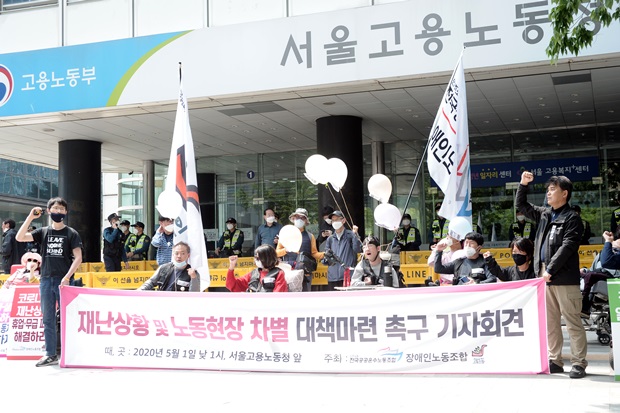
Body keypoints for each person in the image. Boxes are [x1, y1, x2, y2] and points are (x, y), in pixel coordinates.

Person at [517, 171, 587, 379]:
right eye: (548, 189)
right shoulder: (545, 214)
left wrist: (550, 269)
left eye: (553, 189)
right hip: (544, 276)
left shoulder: (572, 218)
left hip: (563, 278)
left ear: (564, 193)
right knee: (551, 322)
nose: (548, 193)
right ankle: (555, 360)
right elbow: (521, 206)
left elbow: (568, 246)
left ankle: (578, 363)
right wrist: (523, 185)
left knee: (572, 322)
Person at [16, 197, 83, 367]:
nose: (58, 211)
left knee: (69, 318)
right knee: (48, 318)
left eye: (61, 209)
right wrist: (31, 217)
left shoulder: (71, 233)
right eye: (55, 208)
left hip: (64, 281)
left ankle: (71, 352)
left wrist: (67, 277)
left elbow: (78, 258)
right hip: (45, 280)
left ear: (66, 212)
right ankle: (50, 354)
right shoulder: (43, 232)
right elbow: (20, 237)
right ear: (48, 211)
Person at [276, 208, 323, 292]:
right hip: (289, 270)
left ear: (306, 221)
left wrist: (324, 254)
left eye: (303, 218)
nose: (300, 219)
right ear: (293, 218)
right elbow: (277, 253)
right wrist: (286, 250)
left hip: (305, 271)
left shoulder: (310, 236)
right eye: (297, 217)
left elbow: (314, 253)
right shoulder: (285, 234)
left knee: (305, 295)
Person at [580, 230, 620, 318]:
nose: (614, 246)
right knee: (587, 274)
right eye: (614, 243)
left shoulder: (611, 256)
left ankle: (585, 306)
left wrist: (608, 242)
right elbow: (592, 269)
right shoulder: (603, 253)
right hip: (596, 277)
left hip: (612, 279)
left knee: (591, 276)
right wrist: (585, 270)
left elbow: (606, 262)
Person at [323, 210, 362, 290]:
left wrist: (355, 235)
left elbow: (357, 249)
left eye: (337, 219)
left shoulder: (350, 235)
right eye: (333, 220)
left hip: (347, 276)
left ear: (343, 220)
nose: (334, 222)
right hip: (332, 277)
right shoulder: (330, 239)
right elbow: (326, 257)